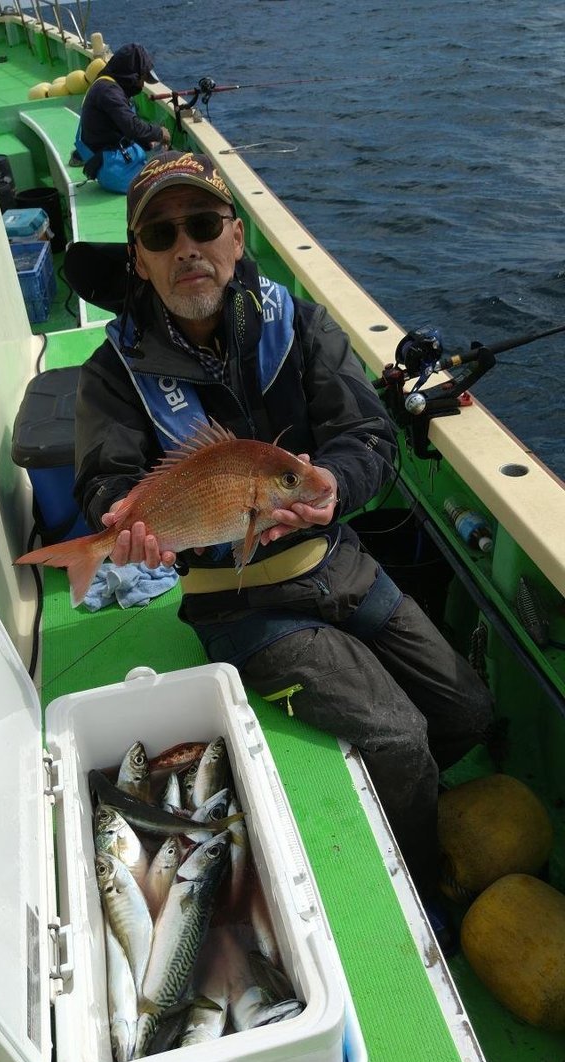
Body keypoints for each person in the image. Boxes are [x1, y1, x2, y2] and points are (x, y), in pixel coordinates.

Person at [73, 150, 494, 901]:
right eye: (162, 237)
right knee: (401, 738)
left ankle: (403, 811)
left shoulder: (294, 323)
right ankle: (425, 901)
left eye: (203, 224)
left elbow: (368, 439)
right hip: (239, 603)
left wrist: (336, 486)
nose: (187, 248)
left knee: (469, 708)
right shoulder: (114, 371)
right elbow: (106, 480)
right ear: (137, 260)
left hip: (338, 561)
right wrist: (121, 523)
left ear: (236, 237)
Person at [73, 43, 171, 193]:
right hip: (115, 171)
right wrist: (159, 132)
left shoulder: (105, 83)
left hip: (108, 161)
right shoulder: (109, 92)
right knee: (169, 175)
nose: (142, 84)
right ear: (132, 74)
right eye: (142, 78)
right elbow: (132, 127)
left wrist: (147, 142)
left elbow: (118, 127)